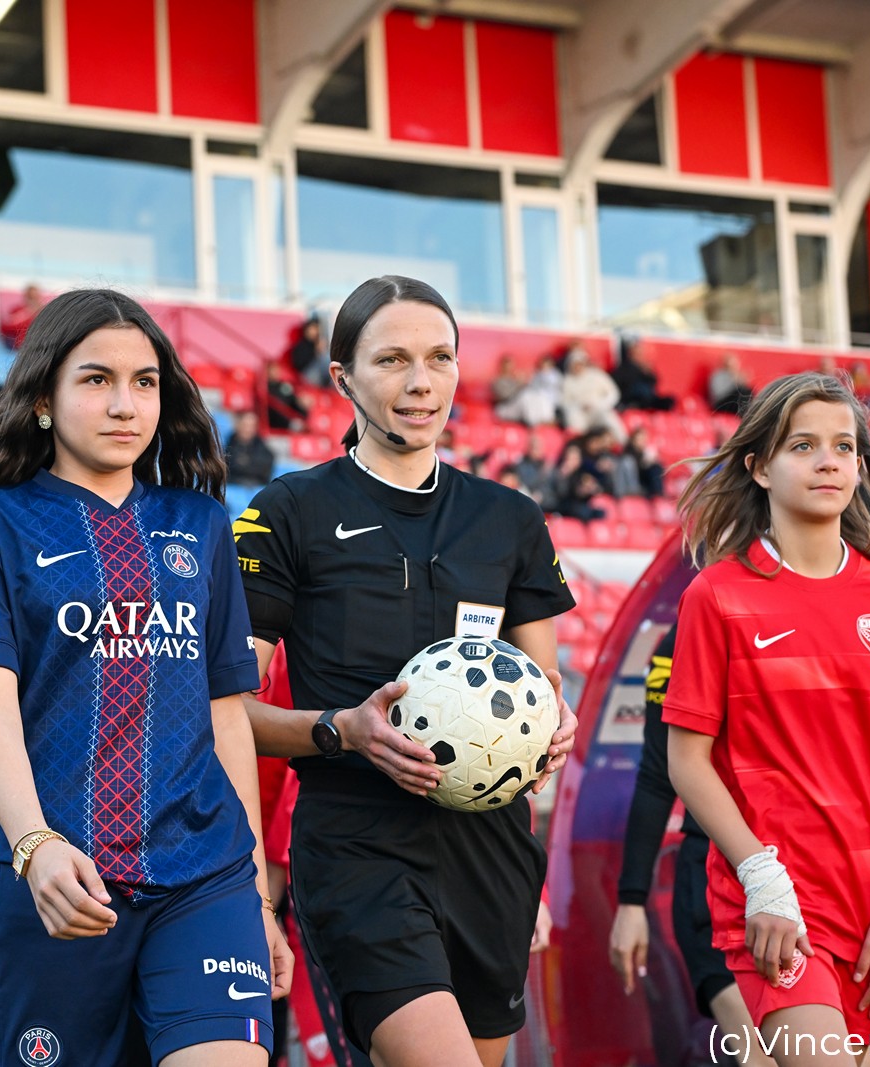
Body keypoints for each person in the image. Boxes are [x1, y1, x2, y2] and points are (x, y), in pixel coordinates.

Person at [0, 287, 292, 1065]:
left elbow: (226, 714)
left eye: (144, 382)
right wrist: (35, 844)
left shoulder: (201, 524)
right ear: (43, 399)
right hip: (59, 878)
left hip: (205, 873)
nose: (125, 403)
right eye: (96, 379)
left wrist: (258, 896)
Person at [235, 275, 577, 1067]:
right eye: (392, 359)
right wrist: (340, 731)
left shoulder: (510, 519)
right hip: (358, 848)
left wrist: (553, 731)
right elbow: (225, 708)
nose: (422, 381)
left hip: (492, 855)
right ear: (343, 376)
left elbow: (544, 689)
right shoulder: (287, 512)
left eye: (440, 358)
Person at [664, 371, 870, 1058]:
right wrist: (762, 878)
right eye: (804, 445)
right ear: (759, 467)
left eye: (844, 447)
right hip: (776, 903)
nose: (829, 462)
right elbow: (686, 761)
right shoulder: (716, 596)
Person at [609, 628, 781, 1065]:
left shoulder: (834, 616)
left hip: (823, 876)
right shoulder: (687, 633)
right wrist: (631, 901)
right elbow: (658, 772)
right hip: (716, 885)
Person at [560, 346, 626, 443]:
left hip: (598, 410)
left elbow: (613, 393)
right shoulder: (566, 381)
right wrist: (579, 406)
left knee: (610, 419)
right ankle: (578, 445)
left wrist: (598, 404)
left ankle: (624, 443)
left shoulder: (596, 375)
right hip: (580, 414)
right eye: (574, 364)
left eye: (580, 364)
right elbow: (564, 402)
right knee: (573, 419)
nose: (577, 367)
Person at [612, 338, 674, 412]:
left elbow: (654, 382)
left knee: (668, 401)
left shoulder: (645, 368)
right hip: (633, 398)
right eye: (637, 354)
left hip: (648, 398)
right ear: (630, 354)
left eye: (640, 354)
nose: (639, 356)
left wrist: (647, 372)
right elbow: (616, 382)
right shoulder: (626, 368)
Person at [226, 411, 276, 487]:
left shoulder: (265, 452)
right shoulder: (224, 447)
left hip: (256, 487)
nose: (248, 429)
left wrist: (241, 466)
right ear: (237, 425)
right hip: (231, 486)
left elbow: (264, 473)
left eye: (251, 426)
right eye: (245, 425)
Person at [265, 361, 310, 432]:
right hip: (276, 420)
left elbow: (293, 401)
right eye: (272, 370)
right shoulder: (264, 388)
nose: (275, 372)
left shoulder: (284, 385)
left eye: (277, 370)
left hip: (290, 419)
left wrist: (301, 403)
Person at [0, 283, 44, 349]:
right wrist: (26, 313)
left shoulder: (44, 312)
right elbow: (5, 328)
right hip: (17, 345)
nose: (33, 301)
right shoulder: (17, 310)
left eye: (35, 297)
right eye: (30, 297)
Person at [289, 316, 329, 388]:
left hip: (320, 374)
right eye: (313, 328)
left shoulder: (319, 343)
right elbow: (298, 363)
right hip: (306, 374)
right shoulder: (300, 345)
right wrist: (315, 351)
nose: (315, 331)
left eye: (317, 328)